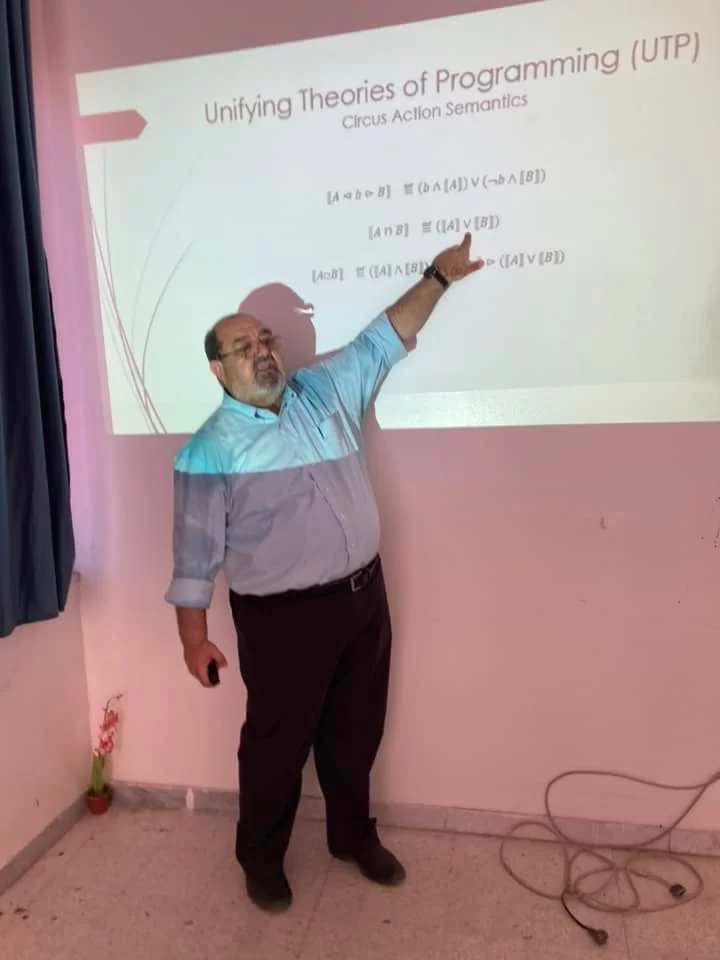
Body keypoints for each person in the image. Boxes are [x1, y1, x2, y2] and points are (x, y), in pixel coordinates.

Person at [165, 233, 484, 913]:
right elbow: (193, 560)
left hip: (364, 599)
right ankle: (260, 861)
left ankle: (352, 837)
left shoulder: (323, 391)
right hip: (282, 621)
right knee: (276, 746)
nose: (262, 350)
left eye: (267, 338)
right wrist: (194, 639)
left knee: (356, 730)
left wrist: (438, 277)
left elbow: (382, 338)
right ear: (218, 369)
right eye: (243, 346)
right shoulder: (208, 451)